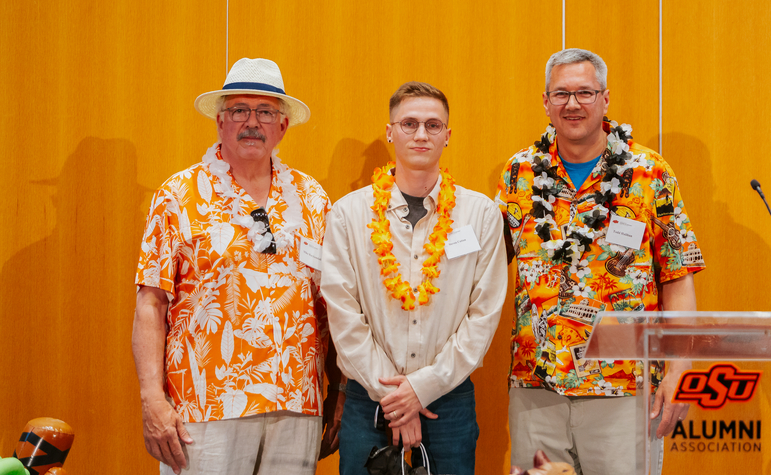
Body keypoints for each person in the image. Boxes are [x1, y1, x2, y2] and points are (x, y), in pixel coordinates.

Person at [495, 49, 705, 475]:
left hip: (625, 389)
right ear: (546, 101)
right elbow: (489, 266)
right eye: (562, 94)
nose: (573, 104)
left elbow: (677, 277)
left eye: (585, 93)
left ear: (605, 99)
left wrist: (679, 372)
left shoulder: (649, 173)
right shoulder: (519, 173)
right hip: (537, 388)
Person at [132, 58, 343, 475]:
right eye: (239, 111)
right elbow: (150, 303)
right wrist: (152, 399)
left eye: (265, 112)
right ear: (220, 121)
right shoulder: (178, 195)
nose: (252, 122)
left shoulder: (314, 198)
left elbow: (333, 304)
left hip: (296, 402)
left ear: (282, 127)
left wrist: (340, 390)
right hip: (204, 405)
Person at [320, 82, 508, 475]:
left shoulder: (481, 215)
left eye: (433, 125)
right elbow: (342, 310)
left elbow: (484, 314)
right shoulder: (346, 215)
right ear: (390, 132)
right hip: (367, 402)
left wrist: (421, 389)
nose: (421, 134)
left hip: (449, 401)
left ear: (447, 136)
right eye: (409, 123)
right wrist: (395, 397)